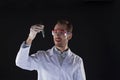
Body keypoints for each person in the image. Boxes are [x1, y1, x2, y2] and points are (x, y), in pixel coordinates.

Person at [15, 19, 86, 80]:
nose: (57, 35)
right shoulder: (42, 57)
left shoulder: (77, 61)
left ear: (69, 36)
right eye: (55, 32)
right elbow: (21, 63)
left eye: (61, 32)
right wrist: (30, 38)